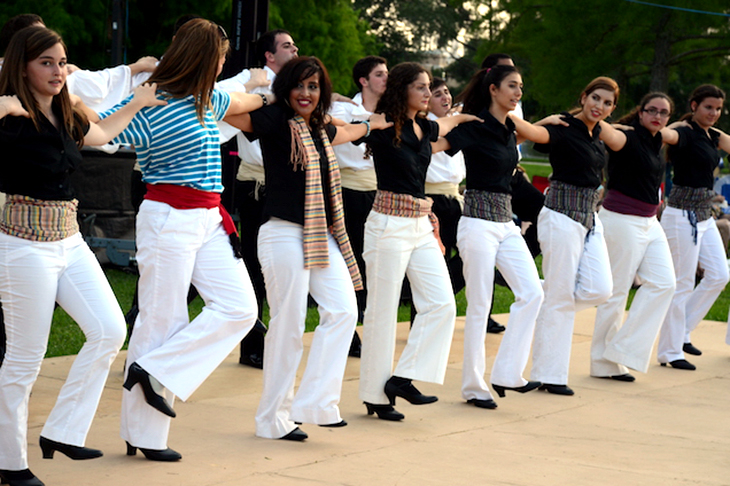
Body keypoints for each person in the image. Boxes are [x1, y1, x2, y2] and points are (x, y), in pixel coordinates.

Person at [0, 25, 163, 486]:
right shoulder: (11, 116)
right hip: (21, 244)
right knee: (24, 359)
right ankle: (10, 463)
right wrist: (4, 104)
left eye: (61, 61)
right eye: (46, 62)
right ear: (23, 66)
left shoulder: (66, 109)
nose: (58, 70)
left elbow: (102, 133)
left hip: (68, 240)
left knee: (110, 330)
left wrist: (136, 103)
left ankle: (63, 431)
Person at [103, 18, 270, 461]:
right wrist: (129, 103)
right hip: (168, 217)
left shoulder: (209, 99)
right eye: (219, 58)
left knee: (240, 309)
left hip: (209, 218)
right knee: (162, 319)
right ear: (203, 57)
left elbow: (246, 97)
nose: (223, 65)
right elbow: (100, 130)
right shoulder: (151, 103)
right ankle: (144, 435)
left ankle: (154, 371)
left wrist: (270, 93)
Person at [225, 56, 391, 440]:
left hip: (321, 233)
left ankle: (315, 403)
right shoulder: (273, 120)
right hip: (282, 232)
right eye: (299, 85)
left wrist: (371, 124)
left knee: (344, 310)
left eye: (314, 86)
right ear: (286, 88)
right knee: (289, 325)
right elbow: (230, 111)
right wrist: (264, 98)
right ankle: (272, 418)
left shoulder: (318, 128)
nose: (306, 93)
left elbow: (346, 133)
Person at [357, 62, 479, 420]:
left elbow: (446, 126)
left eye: (430, 87)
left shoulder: (424, 126)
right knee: (382, 312)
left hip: (420, 224)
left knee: (442, 304)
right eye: (422, 87)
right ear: (402, 90)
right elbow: (343, 130)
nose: (429, 93)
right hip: (387, 225)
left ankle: (403, 377)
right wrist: (365, 124)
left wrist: (464, 120)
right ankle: (375, 397)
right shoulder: (381, 126)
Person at [433, 65, 544, 409]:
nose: (518, 93)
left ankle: (508, 373)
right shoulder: (475, 125)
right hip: (477, 224)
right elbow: (435, 145)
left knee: (532, 293)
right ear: (493, 89)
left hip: (506, 225)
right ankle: (473, 385)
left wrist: (563, 120)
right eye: (512, 86)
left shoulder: (511, 126)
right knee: (480, 305)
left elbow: (542, 134)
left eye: (521, 86)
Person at [509, 77, 617, 396]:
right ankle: (549, 374)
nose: (599, 106)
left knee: (600, 288)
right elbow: (520, 132)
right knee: (560, 297)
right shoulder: (564, 125)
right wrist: (542, 120)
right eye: (595, 98)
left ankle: (546, 292)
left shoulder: (597, 133)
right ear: (583, 97)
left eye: (607, 103)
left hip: (589, 217)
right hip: (559, 215)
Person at [217, 29, 299, 368]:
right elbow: (217, 103)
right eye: (286, 45)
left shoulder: (299, 91)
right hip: (257, 187)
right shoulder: (254, 87)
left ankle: (279, 344)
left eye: (295, 45)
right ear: (268, 56)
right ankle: (253, 346)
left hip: (293, 191)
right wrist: (250, 83)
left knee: (287, 270)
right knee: (253, 266)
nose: (294, 49)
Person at [590, 93, 678, 381]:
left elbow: (692, 130)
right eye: (651, 110)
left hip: (650, 221)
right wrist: (598, 116)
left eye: (664, 112)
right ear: (640, 113)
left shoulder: (659, 138)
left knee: (665, 283)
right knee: (615, 292)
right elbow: (600, 127)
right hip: (620, 220)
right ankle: (602, 363)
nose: (658, 115)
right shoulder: (626, 136)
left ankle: (622, 350)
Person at [657, 84, 730, 370]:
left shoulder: (713, 136)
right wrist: (674, 122)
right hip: (679, 214)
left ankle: (683, 330)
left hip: (704, 215)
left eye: (718, 108)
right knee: (682, 283)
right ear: (694, 106)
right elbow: (663, 133)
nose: (713, 113)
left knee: (719, 274)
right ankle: (670, 351)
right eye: (708, 107)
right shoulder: (684, 133)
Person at [330, 55, 388, 356]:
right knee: (350, 262)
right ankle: (349, 330)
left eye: (387, 73)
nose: (386, 79)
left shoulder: (392, 112)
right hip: (348, 192)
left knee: (375, 263)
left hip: (379, 194)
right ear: (363, 81)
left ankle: (368, 324)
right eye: (379, 74)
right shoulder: (342, 108)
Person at [424, 77, 466, 302]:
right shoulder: (425, 126)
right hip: (432, 200)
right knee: (434, 258)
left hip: (453, 197)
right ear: (427, 102)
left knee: (469, 253)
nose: (445, 97)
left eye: (447, 92)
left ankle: (443, 293)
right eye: (438, 94)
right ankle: (422, 312)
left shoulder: (457, 125)